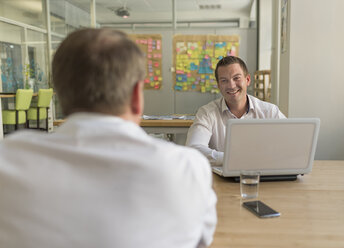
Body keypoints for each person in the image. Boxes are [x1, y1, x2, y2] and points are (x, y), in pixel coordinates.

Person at [0, 29, 217, 248]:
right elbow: (199, 241)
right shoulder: (186, 168)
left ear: (61, 93)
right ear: (136, 96)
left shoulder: (7, 160)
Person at [186, 56, 286, 166]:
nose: (231, 86)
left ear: (247, 80)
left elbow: (290, 143)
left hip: (263, 176)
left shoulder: (270, 112)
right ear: (219, 85)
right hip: (222, 181)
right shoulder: (206, 113)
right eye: (224, 81)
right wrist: (233, 159)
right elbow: (193, 149)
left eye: (236, 78)